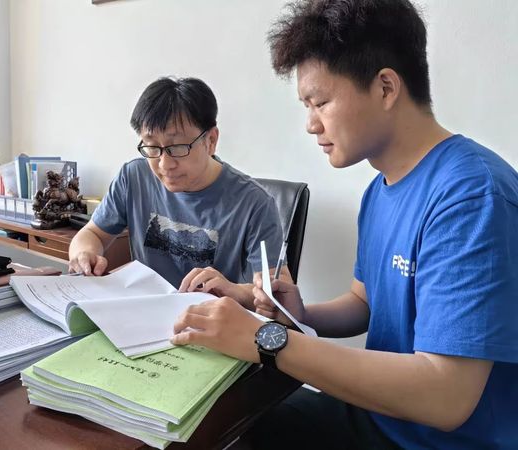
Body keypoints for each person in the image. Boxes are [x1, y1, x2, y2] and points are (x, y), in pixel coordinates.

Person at [171, 1, 518, 448]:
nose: (311, 125)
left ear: (386, 87)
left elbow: (446, 396)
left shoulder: (471, 197)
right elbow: (364, 302)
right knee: (226, 425)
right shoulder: (380, 189)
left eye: (321, 102)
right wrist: (297, 315)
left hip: (439, 439)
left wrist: (265, 338)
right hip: (380, 417)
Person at [69, 77, 290, 308]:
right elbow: (92, 234)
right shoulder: (133, 177)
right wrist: (84, 254)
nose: (164, 164)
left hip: (210, 320)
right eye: (152, 147)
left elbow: (278, 293)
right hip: (143, 312)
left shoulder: (254, 203)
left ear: (211, 140)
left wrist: (232, 290)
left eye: (177, 147)